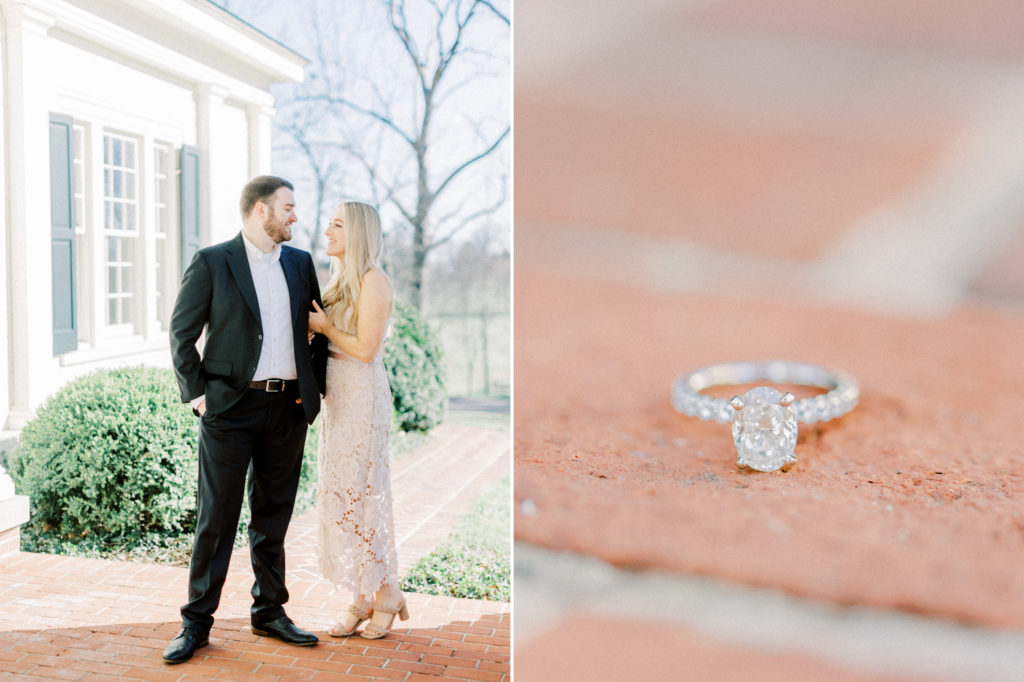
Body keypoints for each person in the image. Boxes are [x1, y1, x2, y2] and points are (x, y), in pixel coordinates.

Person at [164, 176, 327, 664]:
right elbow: (181, 332)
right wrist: (198, 394)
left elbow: (316, 331)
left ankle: (269, 612)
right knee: (216, 520)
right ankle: (195, 623)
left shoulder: (299, 263)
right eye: (288, 207)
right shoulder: (215, 261)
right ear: (261, 210)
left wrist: (311, 391)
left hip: (287, 409)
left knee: (272, 517)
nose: (295, 216)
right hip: (229, 411)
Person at [308, 201, 409, 639]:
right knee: (343, 497)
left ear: (360, 233)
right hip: (338, 400)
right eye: (328, 223)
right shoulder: (338, 279)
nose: (327, 231)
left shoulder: (375, 281)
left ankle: (386, 593)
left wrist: (325, 328)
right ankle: (362, 593)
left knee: (365, 495)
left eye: (337, 225)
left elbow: (366, 349)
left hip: (363, 396)